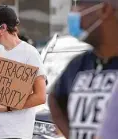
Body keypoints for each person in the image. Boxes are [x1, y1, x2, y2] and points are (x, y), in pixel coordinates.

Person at [48, 0, 118, 139]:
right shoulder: (79, 64)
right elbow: (54, 98)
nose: (72, 14)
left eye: (78, 6)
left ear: (104, 10)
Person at [0, 5, 47, 139]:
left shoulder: (29, 53)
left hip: (16, 133)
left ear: (2, 28)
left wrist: (7, 107)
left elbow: (40, 96)